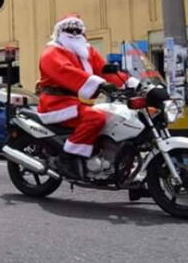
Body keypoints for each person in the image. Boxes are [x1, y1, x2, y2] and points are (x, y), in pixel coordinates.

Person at [37, 14, 139, 179]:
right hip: (56, 103)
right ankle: (66, 158)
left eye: (78, 30)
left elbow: (105, 70)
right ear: (60, 31)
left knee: (117, 116)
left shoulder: (86, 51)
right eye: (70, 29)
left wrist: (134, 84)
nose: (75, 33)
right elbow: (67, 72)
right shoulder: (51, 52)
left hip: (76, 102)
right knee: (95, 118)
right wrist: (99, 84)